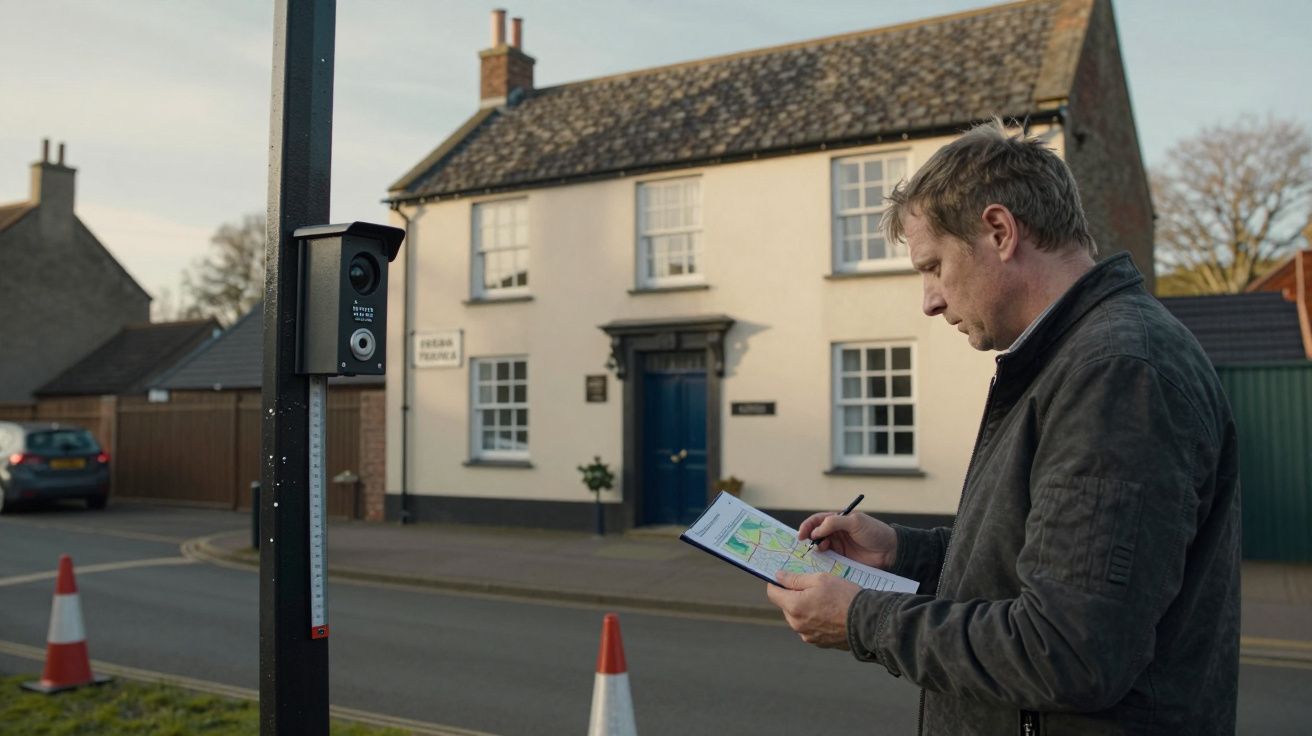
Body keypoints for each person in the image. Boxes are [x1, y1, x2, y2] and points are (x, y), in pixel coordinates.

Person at [765, 121, 1240, 734]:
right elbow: (1033, 566)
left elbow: (1068, 652)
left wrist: (864, 618)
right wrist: (901, 553)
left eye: (933, 266)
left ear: (999, 231)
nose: (929, 301)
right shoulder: (1070, 359)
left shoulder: (1117, 373)